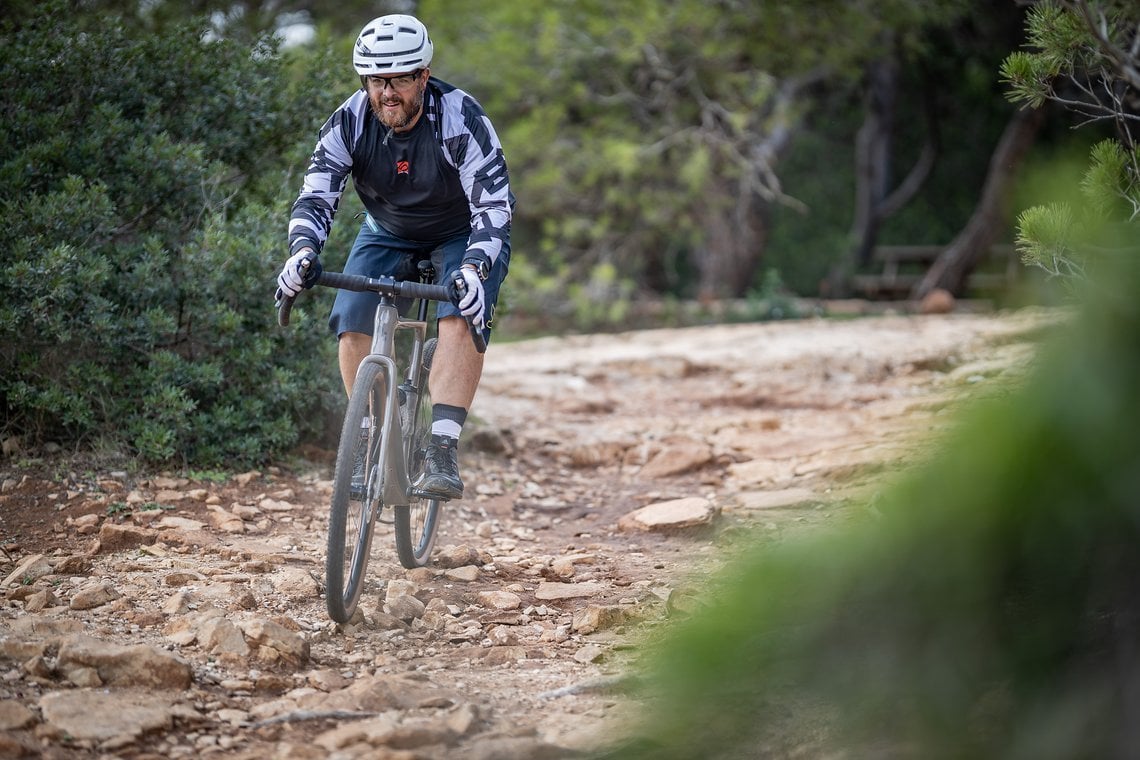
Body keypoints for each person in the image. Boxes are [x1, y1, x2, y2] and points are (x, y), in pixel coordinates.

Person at [276, 13, 512, 500]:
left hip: (461, 232)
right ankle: (366, 437)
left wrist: (474, 268)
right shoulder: (349, 121)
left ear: (423, 76)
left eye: (400, 79)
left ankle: (442, 449)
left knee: (460, 316)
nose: (387, 92)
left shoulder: (460, 117)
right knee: (352, 317)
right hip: (386, 230)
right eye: (376, 80)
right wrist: (302, 251)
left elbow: (493, 204)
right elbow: (316, 196)